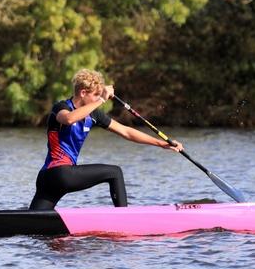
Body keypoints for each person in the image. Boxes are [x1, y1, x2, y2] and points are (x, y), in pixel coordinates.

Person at [21, 68, 183, 210]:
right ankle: (125, 219)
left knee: (32, 222)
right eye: (95, 95)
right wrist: (102, 99)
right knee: (114, 172)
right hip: (58, 174)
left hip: (50, 180)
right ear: (83, 93)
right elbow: (69, 119)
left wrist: (162, 144)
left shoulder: (93, 114)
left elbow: (126, 131)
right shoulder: (61, 107)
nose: (99, 99)